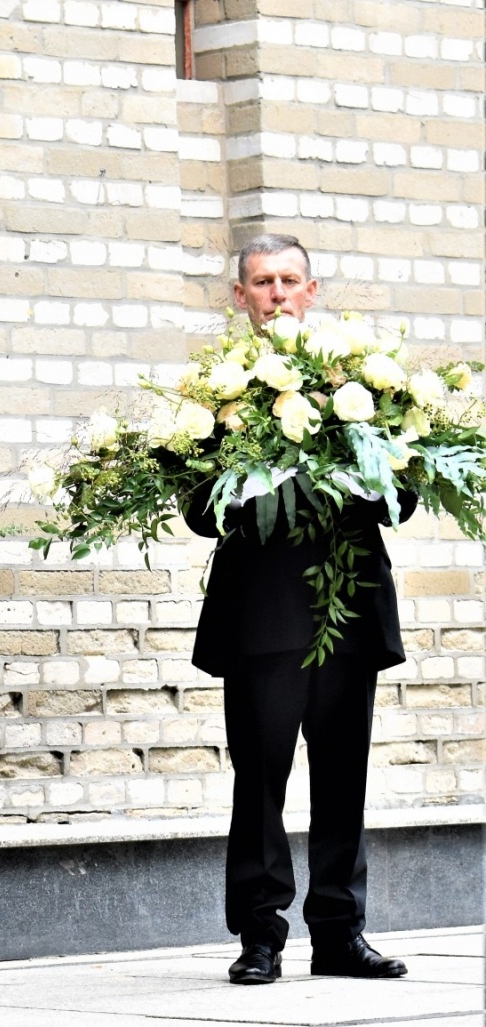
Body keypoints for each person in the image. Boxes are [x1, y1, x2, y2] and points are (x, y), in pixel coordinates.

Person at [184, 233, 413, 985]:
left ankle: (341, 933)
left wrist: (358, 468)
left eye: (289, 280)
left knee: (344, 778)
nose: (277, 292)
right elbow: (196, 509)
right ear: (239, 296)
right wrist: (251, 481)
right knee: (261, 782)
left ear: (312, 291)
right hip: (262, 614)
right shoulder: (215, 391)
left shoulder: (363, 380)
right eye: (262, 281)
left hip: (348, 605)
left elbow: (404, 496)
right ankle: (260, 936)